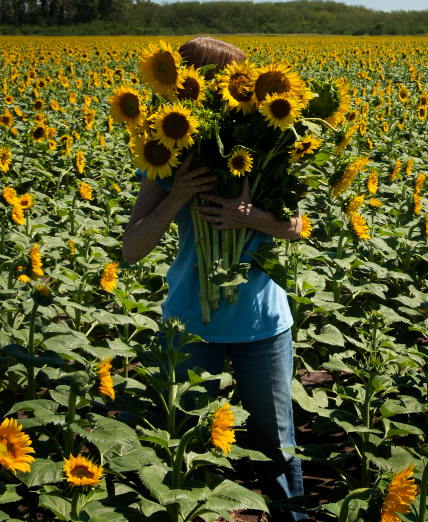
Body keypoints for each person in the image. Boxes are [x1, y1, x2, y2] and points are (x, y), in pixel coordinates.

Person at [121, 37, 308, 522]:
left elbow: (297, 226)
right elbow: (132, 249)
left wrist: (253, 218)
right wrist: (177, 194)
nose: (245, 89)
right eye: (234, 79)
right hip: (190, 323)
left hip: (261, 323)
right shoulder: (169, 152)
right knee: (183, 440)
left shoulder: (269, 148)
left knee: (276, 444)